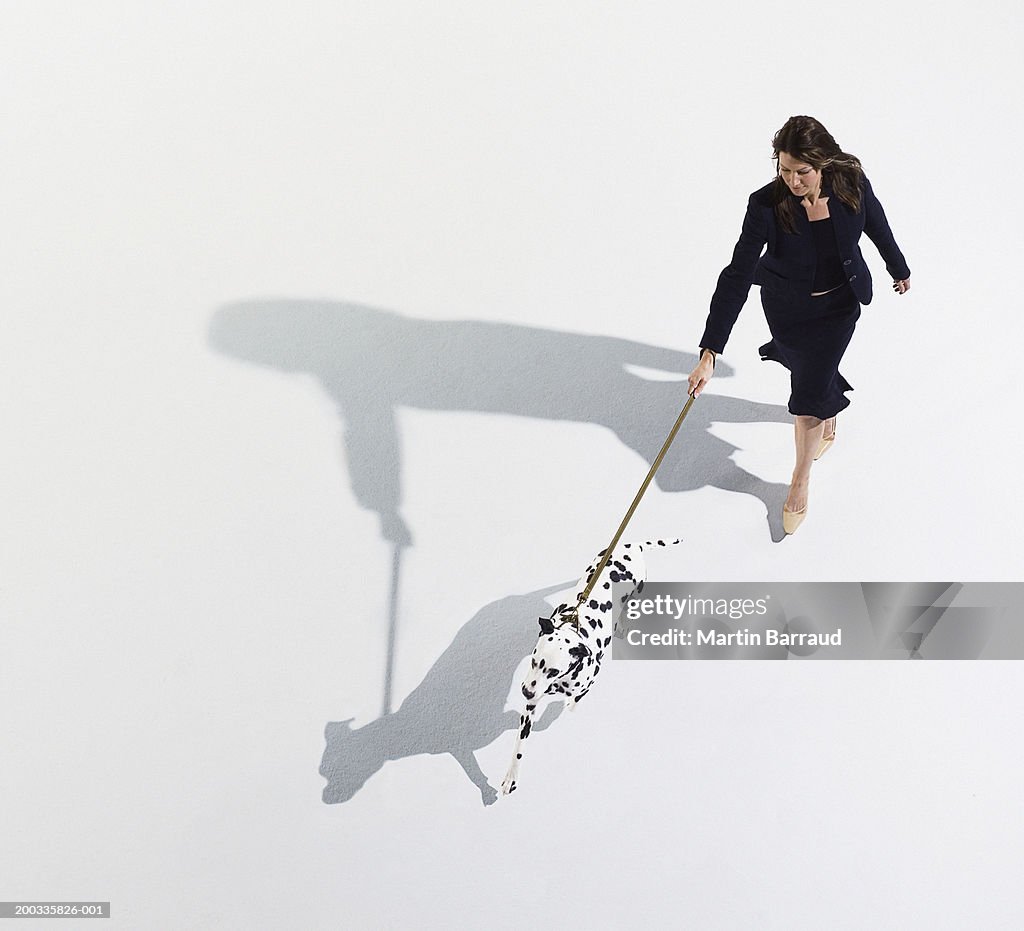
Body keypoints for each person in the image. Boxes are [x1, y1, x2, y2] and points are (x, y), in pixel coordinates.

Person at [687, 115, 911, 534]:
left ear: (822, 162)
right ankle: (826, 403)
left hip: (839, 309)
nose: (792, 180)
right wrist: (710, 351)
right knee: (806, 370)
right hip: (787, 310)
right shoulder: (765, 205)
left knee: (807, 395)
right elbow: (737, 274)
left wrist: (897, 267)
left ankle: (799, 479)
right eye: (784, 169)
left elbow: (877, 224)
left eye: (801, 172)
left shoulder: (852, 184)